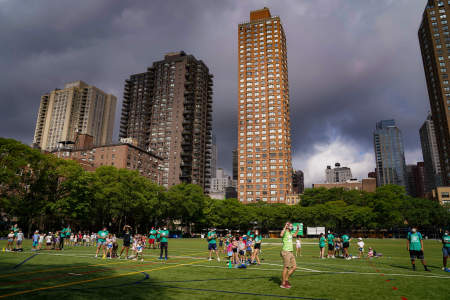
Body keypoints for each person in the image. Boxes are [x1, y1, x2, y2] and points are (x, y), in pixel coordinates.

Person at [280, 222, 300, 289]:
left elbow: (294, 235)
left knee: (294, 267)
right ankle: (283, 283)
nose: (292, 227)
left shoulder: (290, 233)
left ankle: (286, 280)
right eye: (291, 226)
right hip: (286, 252)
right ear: (288, 227)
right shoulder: (285, 231)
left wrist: (297, 229)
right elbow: (281, 234)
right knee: (286, 267)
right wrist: (285, 226)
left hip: (291, 252)